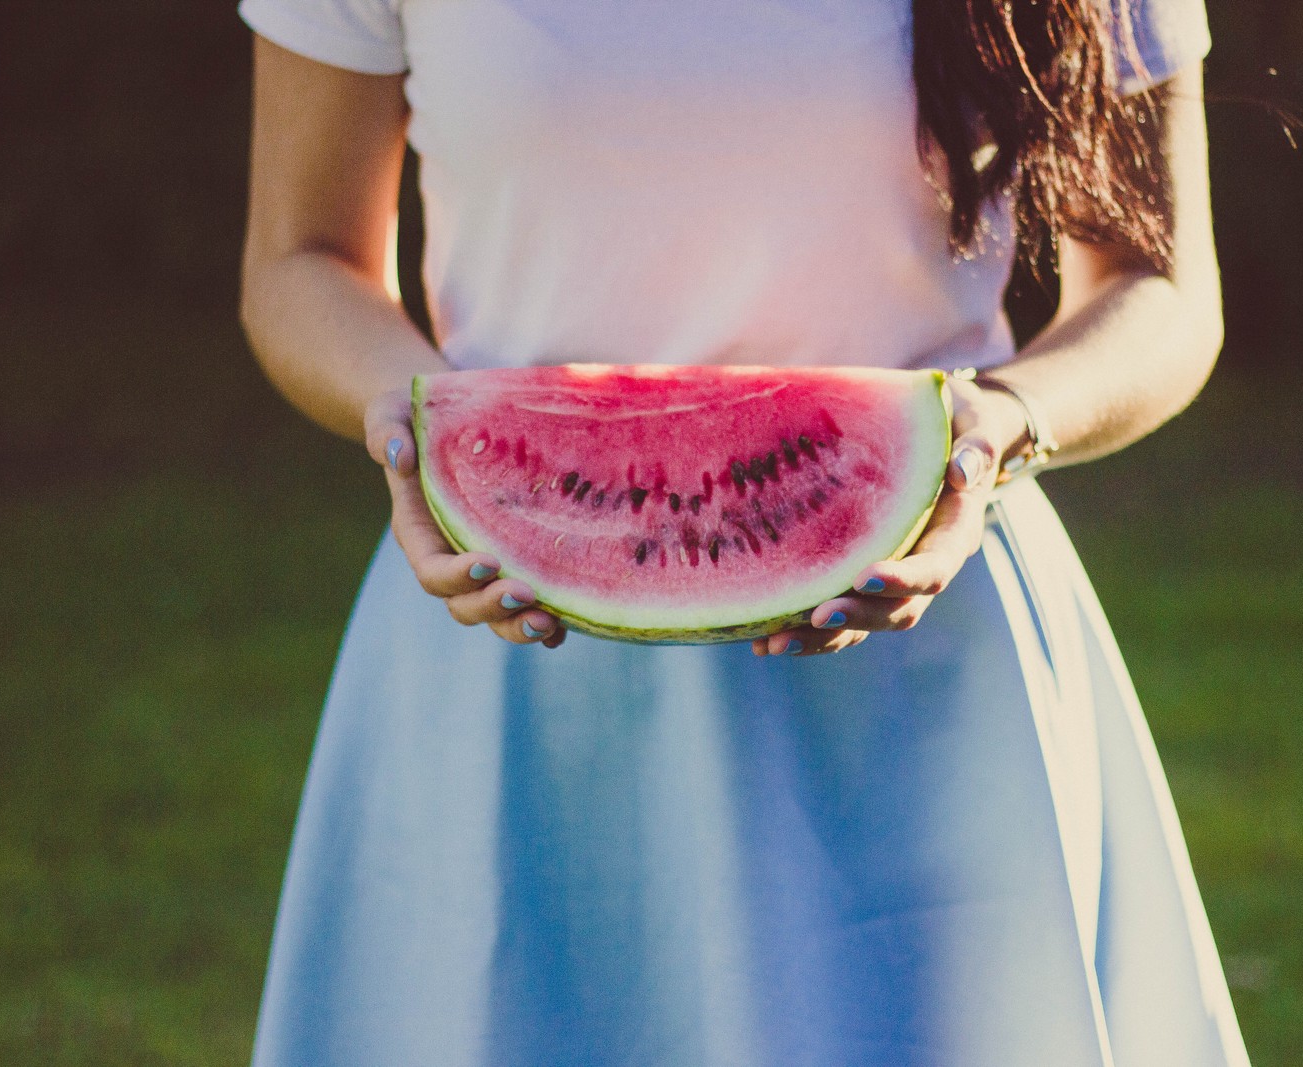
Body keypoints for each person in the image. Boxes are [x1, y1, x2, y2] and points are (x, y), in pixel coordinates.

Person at [237, 0, 1248, 1063]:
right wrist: (419, 428)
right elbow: (300, 257)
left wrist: (1001, 422)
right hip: (512, 644)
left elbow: (1161, 287)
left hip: (920, 638)